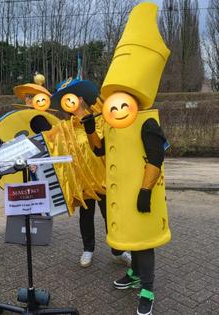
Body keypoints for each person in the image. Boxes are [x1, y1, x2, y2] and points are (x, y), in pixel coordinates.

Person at [98, 3, 172, 314]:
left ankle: (149, 290)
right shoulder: (114, 123)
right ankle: (134, 274)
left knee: (145, 240)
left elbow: (156, 159)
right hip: (122, 193)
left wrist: (144, 191)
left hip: (143, 193)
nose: (116, 109)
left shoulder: (147, 123)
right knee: (130, 236)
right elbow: (100, 151)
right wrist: (91, 129)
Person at [50, 71, 131, 268]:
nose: (71, 103)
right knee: (86, 217)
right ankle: (88, 249)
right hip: (83, 181)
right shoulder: (64, 128)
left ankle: (118, 250)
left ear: (80, 98)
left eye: (73, 98)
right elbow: (50, 142)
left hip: (104, 178)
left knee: (110, 216)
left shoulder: (101, 119)